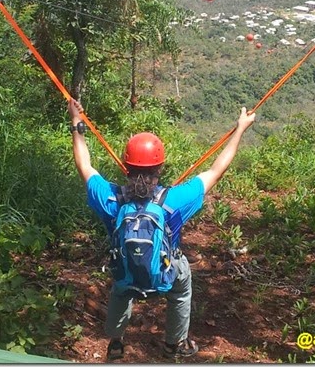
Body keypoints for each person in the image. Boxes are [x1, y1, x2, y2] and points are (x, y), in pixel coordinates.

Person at [67, 98, 255, 360]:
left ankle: (117, 342)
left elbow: (84, 165)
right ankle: (173, 344)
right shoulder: (175, 200)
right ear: (160, 167)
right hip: (167, 275)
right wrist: (240, 129)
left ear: (125, 167)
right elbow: (216, 169)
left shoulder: (111, 199)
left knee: (120, 287)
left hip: (128, 274)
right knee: (182, 288)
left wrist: (77, 121)